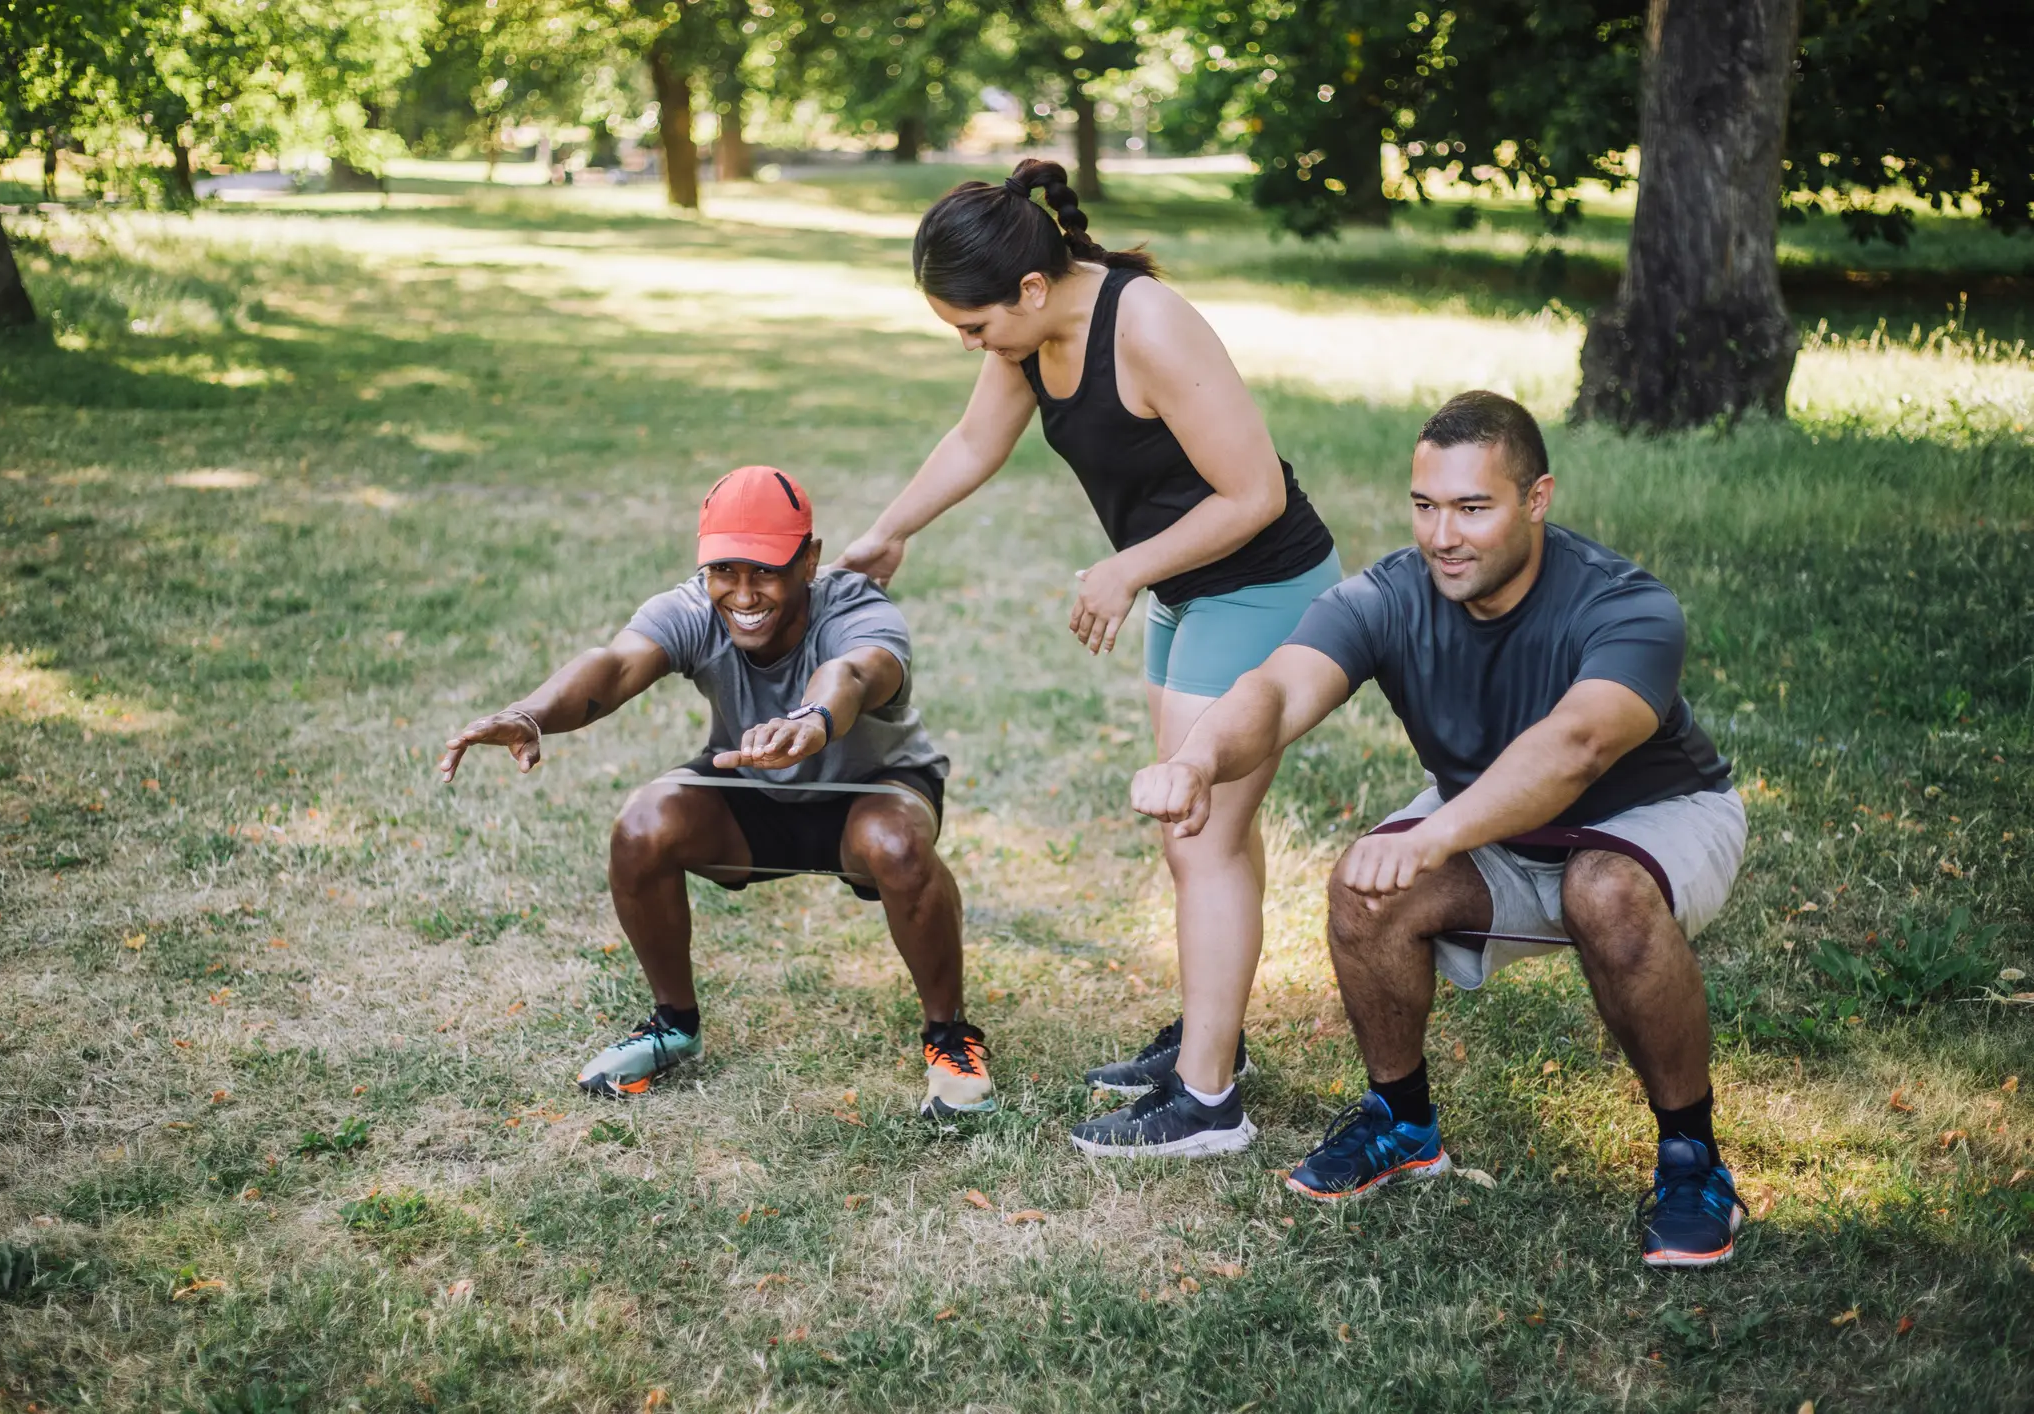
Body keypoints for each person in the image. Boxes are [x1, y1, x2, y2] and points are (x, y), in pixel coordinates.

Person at [1130, 391, 1750, 1267]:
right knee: (1363, 889)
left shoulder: (1626, 605)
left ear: (1535, 499)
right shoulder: (1389, 594)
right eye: (1425, 507)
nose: (1442, 536)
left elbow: (1574, 748)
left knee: (1601, 888)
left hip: (1649, 817)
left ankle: (1692, 1162)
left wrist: (1434, 834)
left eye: (1471, 508)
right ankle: (1401, 1122)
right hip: (1493, 826)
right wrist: (1198, 759)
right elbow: (1275, 689)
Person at [835, 158, 1340, 1158]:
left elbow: (1254, 495)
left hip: (1262, 584)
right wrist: (891, 533)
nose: (973, 346)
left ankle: (1207, 1105)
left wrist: (1124, 571)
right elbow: (975, 442)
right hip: (1187, 585)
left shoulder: (1146, 322)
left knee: (1201, 833)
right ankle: (1213, 1040)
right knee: (1200, 834)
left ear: (1030, 286)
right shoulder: (1032, 334)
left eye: (974, 328)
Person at [439, 465, 994, 1119]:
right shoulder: (694, 608)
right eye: (723, 570)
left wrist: (810, 723)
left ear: (808, 560)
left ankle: (950, 1038)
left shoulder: (858, 607)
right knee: (643, 824)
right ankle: (673, 1025)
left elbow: (852, 673)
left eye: (764, 570)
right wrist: (530, 713)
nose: (741, 591)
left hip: (867, 790)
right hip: (752, 784)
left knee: (895, 843)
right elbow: (614, 666)